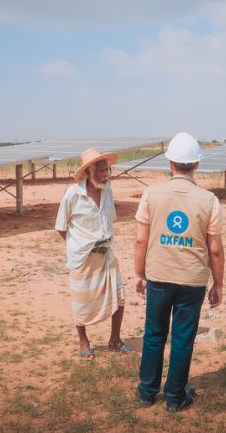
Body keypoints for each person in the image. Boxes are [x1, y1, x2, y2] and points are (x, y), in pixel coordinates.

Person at [134, 132, 225, 411]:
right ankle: (175, 397)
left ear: (170, 163)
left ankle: (147, 392)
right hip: (192, 281)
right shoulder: (209, 200)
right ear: (197, 165)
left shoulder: (151, 193)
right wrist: (218, 284)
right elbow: (216, 250)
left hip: (159, 276)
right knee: (183, 339)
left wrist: (139, 274)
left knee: (154, 335)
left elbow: (141, 239)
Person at [55, 147, 133, 359]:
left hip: (106, 254)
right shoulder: (73, 195)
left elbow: (109, 220)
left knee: (119, 296)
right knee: (82, 301)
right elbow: (61, 227)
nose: (106, 174)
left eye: (107, 169)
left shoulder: (108, 191)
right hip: (82, 258)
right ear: (89, 172)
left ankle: (115, 340)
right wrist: (78, 246)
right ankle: (84, 341)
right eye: (100, 171)